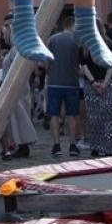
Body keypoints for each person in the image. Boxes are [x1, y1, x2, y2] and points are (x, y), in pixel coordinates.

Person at [44, 9, 82, 158]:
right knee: (73, 115)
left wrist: (50, 73)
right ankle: (73, 145)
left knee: (54, 114)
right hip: (72, 82)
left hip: (54, 82)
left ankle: (56, 145)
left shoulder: (52, 39)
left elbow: (46, 62)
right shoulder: (77, 40)